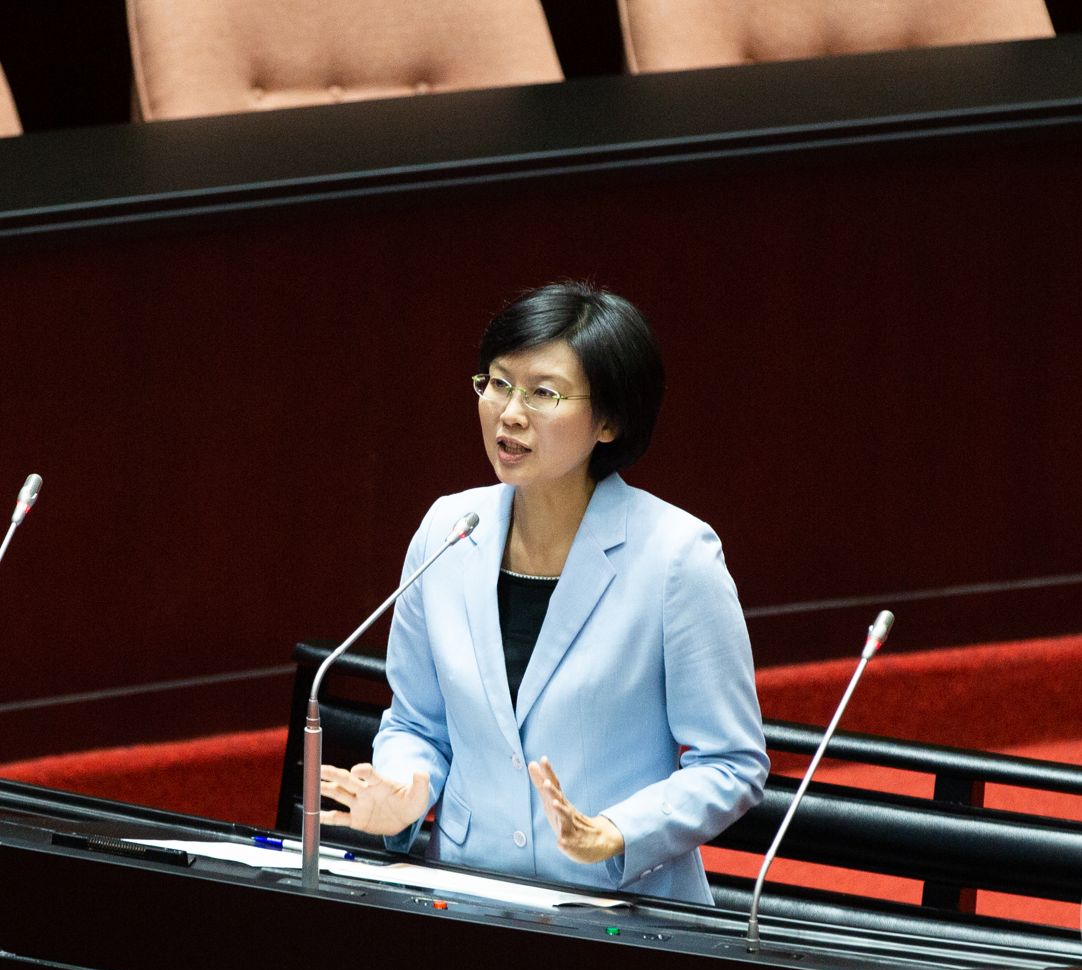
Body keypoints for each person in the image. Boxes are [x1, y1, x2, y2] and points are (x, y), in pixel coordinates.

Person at [318, 281, 768, 903]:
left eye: (543, 393)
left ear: (609, 420)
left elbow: (731, 763)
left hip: (622, 910)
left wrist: (617, 831)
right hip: (465, 895)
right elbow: (418, 723)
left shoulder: (676, 557)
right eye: (498, 383)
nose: (510, 413)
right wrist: (406, 791)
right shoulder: (449, 531)